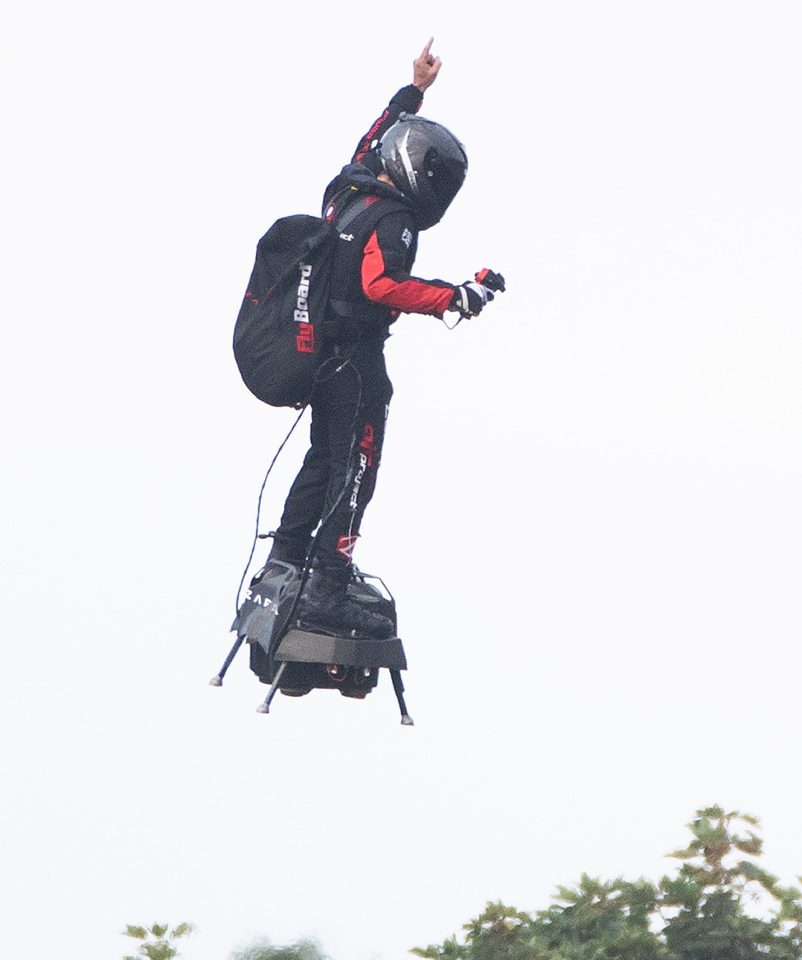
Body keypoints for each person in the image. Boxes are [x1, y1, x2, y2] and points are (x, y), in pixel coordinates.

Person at [265, 40, 501, 638]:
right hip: (356, 364)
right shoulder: (392, 218)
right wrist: (456, 296)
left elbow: (373, 136)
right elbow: (381, 284)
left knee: (324, 457)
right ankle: (327, 581)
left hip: (322, 356)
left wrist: (413, 91)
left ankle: (284, 563)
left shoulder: (350, 187)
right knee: (358, 465)